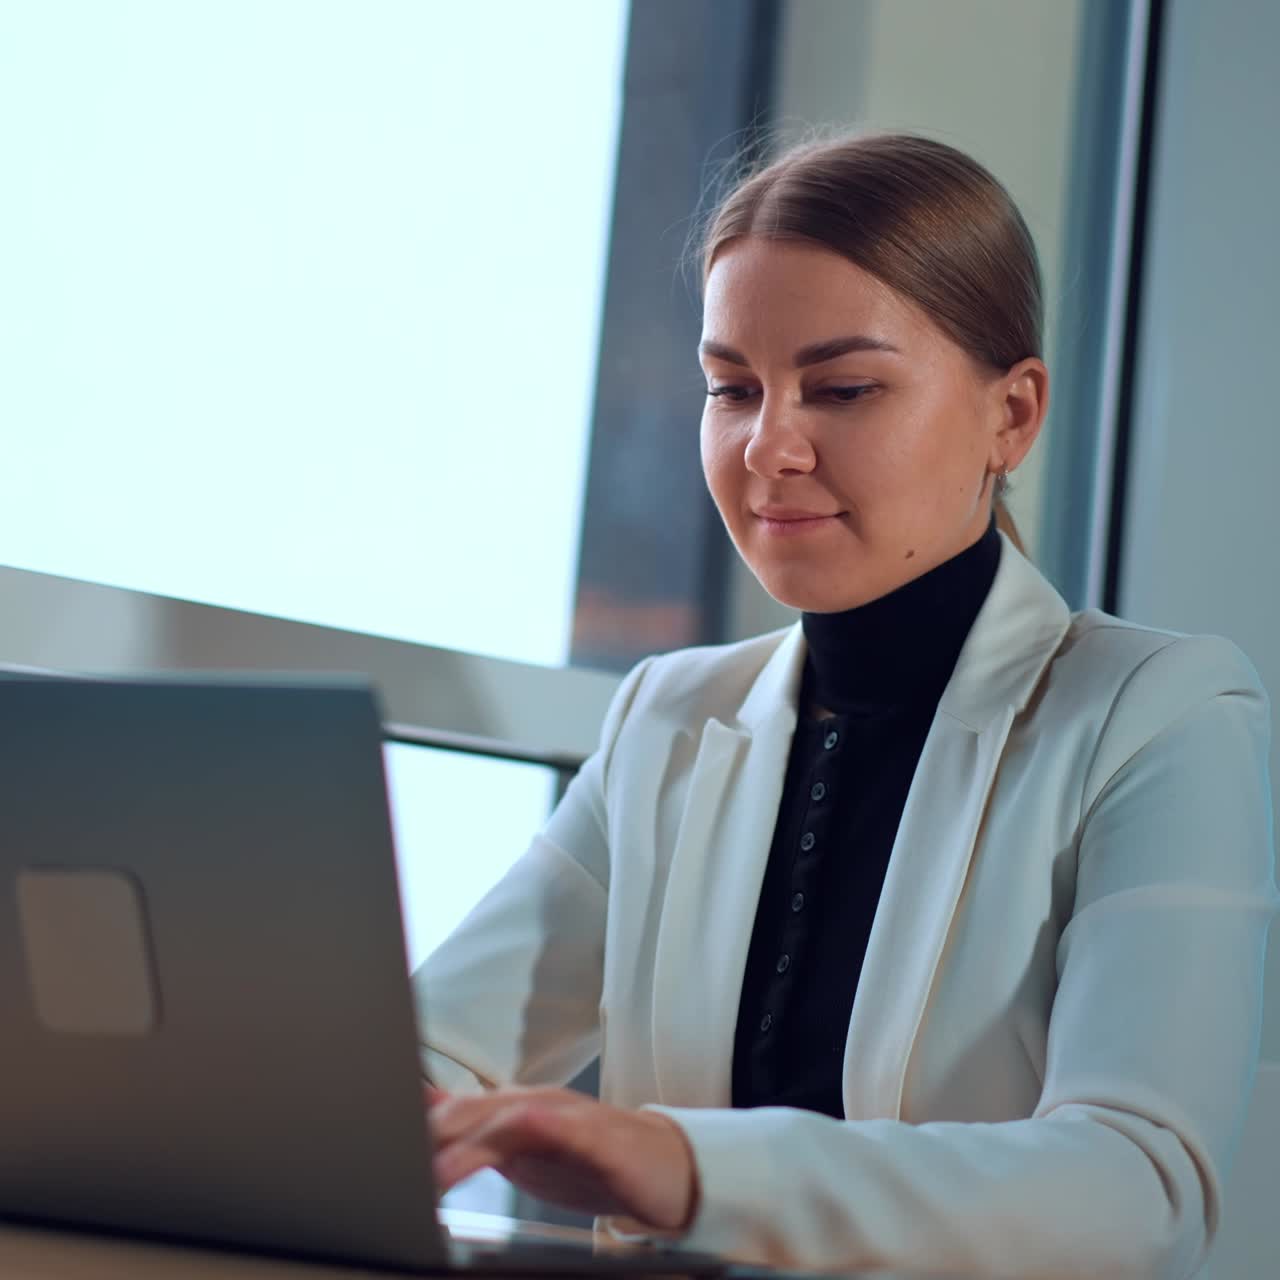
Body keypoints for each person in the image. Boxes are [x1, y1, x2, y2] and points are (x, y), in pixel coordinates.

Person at [413, 133, 1277, 1278]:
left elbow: (1131, 1184)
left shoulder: (1157, 712)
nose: (767, 445)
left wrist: (685, 1163)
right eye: (732, 388)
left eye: (843, 388)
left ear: (1010, 415)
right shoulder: (667, 714)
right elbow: (427, 1052)